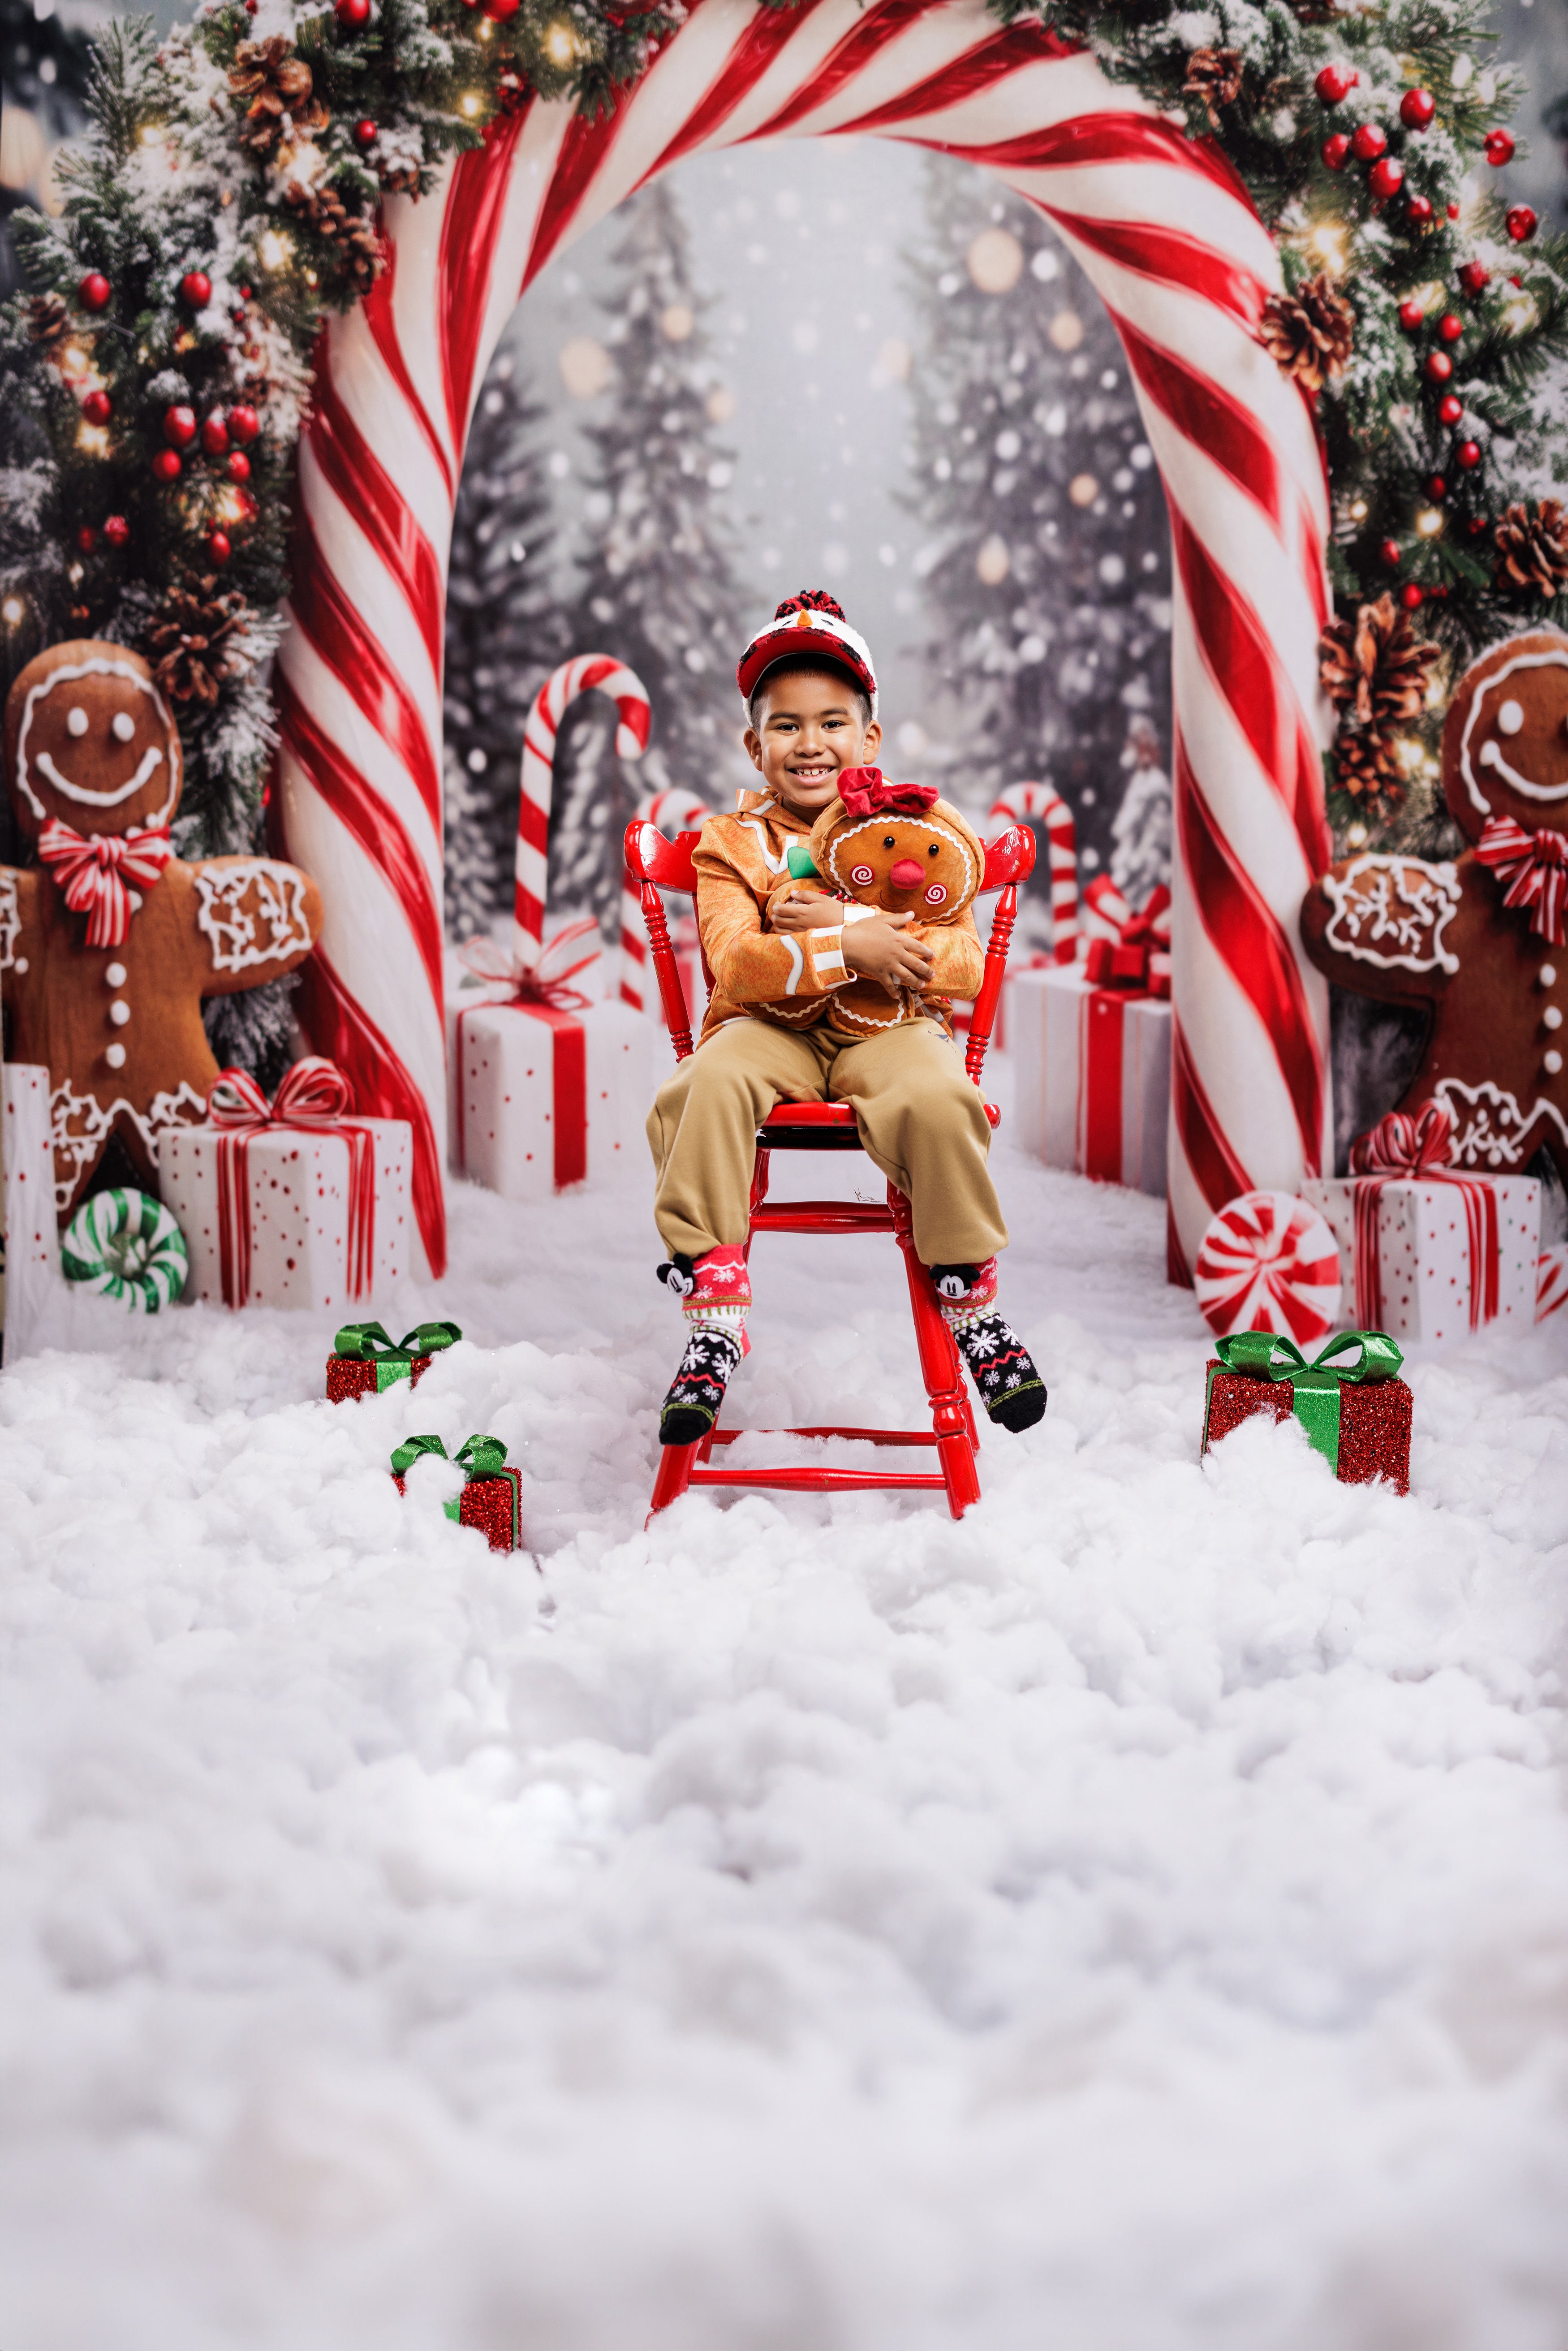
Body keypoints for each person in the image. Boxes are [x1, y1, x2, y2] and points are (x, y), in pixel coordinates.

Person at [646, 590, 1047, 1448]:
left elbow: (966, 962)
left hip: (892, 1029)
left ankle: (966, 1287)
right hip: (769, 1028)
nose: (810, 743)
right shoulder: (730, 844)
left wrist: (844, 927)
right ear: (755, 747)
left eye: (833, 722)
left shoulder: (913, 829)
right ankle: (714, 1298)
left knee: (942, 1100)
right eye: (786, 727)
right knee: (706, 1082)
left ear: (868, 738)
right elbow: (738, 963)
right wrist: (845, 954)